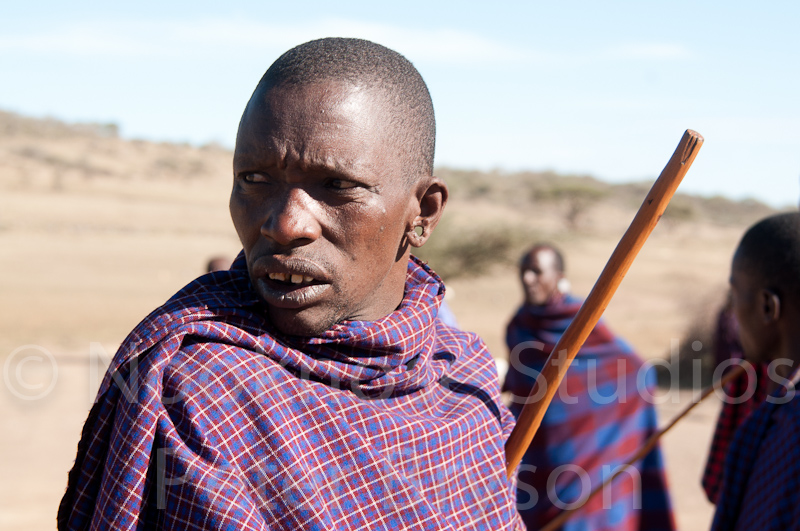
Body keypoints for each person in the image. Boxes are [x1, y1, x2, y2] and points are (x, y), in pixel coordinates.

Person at [58, 38, 522, 530]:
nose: (285, 225)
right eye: (254, 178)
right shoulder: (203, 388)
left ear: (423, 214)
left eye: (337, 185)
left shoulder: (462, 377)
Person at [502, 244, 674, 530]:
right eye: (523, 272)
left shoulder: (580, 320)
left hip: (581, 449)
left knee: (577, 517)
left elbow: (632, 368)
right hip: (535, 449)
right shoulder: (518, 326)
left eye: (536, 271)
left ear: (559, 276)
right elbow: (521, 387)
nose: (528, 279)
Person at [711, 212, 800, 530]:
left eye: (736, 295)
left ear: (767, 307)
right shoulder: (779, 413)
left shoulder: (788, 431)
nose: (733, 314)